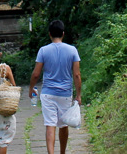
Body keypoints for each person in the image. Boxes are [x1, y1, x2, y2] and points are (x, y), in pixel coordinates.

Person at [28, 20, 82, 154]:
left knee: (50, 125)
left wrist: (31, 89)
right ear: (63, 34)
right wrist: (78, 95)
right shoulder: (72, 50)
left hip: (48, 94)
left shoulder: (43, 50)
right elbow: (76, 75)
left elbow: (36, 74)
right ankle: (62, 152)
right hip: (65, 93)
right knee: (64, 125)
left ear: (50, 34)